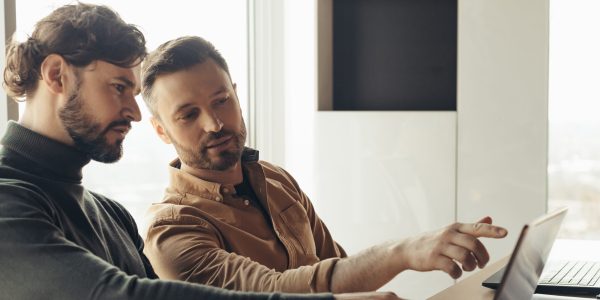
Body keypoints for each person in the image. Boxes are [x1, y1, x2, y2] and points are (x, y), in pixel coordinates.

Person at [0, 4, 395, 300]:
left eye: (134, 93)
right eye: (119, 87)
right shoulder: (8, 197)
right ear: (56, 76)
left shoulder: (110, 214)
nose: (134, 112)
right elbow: (120, 295)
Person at [141, 36, 508, 293]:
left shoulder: (276, 179)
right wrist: (404, 252)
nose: (215, 123)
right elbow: (275, 292)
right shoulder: (172, 231)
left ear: (236, 94)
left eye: (222, 101)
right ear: (161, 130)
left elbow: (338, 268)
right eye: (189, 115)